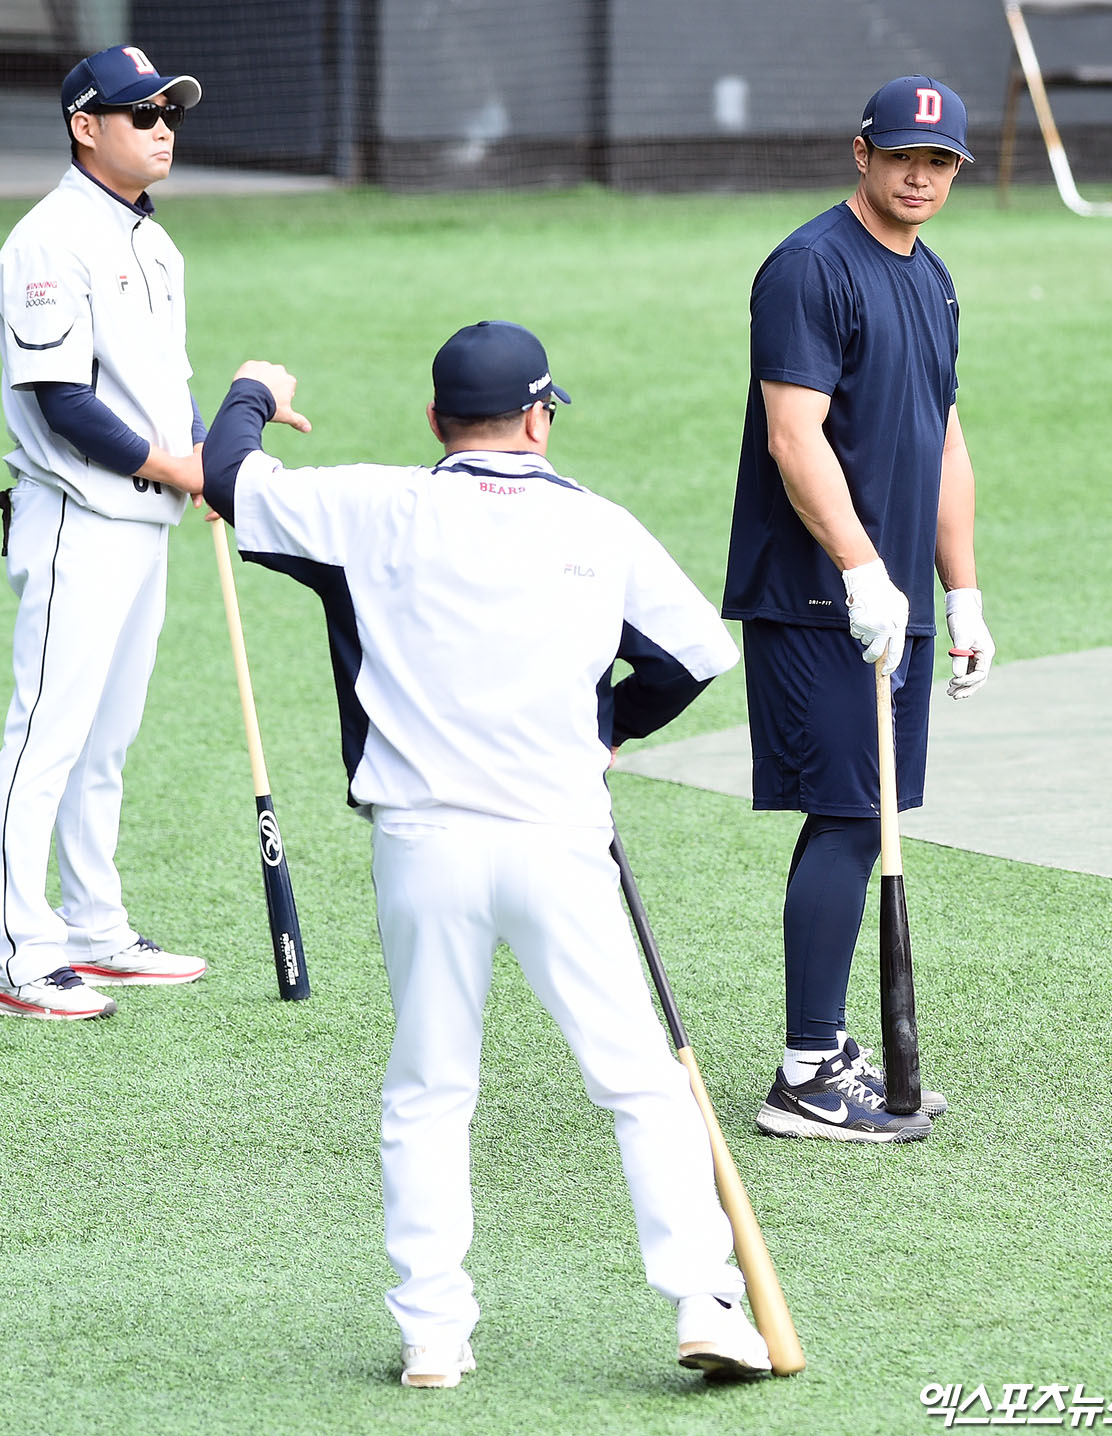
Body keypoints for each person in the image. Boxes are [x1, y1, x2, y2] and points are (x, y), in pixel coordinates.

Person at [198, 321, 771, 1386]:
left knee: (428, 1089)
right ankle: (706, 1299)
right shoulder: (599, 526)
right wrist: (612, 726)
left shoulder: (375, 504)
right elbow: (696, 654)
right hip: (558, 839)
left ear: (435, 422)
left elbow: (228, 475)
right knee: (639, 1081)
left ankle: (432, 1334)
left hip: (421, 846)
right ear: (540, 417)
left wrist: (251, 390)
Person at [721, 76, 996, 1143]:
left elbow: (946, 442)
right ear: (862, 153)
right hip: (815, 594)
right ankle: (803, 1077)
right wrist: (861, 570)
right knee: (846, 812)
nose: (921, 175)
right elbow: (795, 437)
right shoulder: (808, 267)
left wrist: (959, 588)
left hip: (893, 595)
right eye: (903, 156)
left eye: (941, 162)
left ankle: (827, 1047)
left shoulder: (933, 280)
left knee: (868, 812)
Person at [0, 45, 209, 1020]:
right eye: (141, 113)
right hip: (75, 519)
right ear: (87, 126)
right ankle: (23, 950)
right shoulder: (50, 240)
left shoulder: (153, 241)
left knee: (106, 738)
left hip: (144, 521)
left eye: (168, 111)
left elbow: (166, 383)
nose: (162, 126)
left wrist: (205, 456)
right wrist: (173, 463)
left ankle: (93, 927)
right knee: (44, 733)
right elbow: (59, 402)